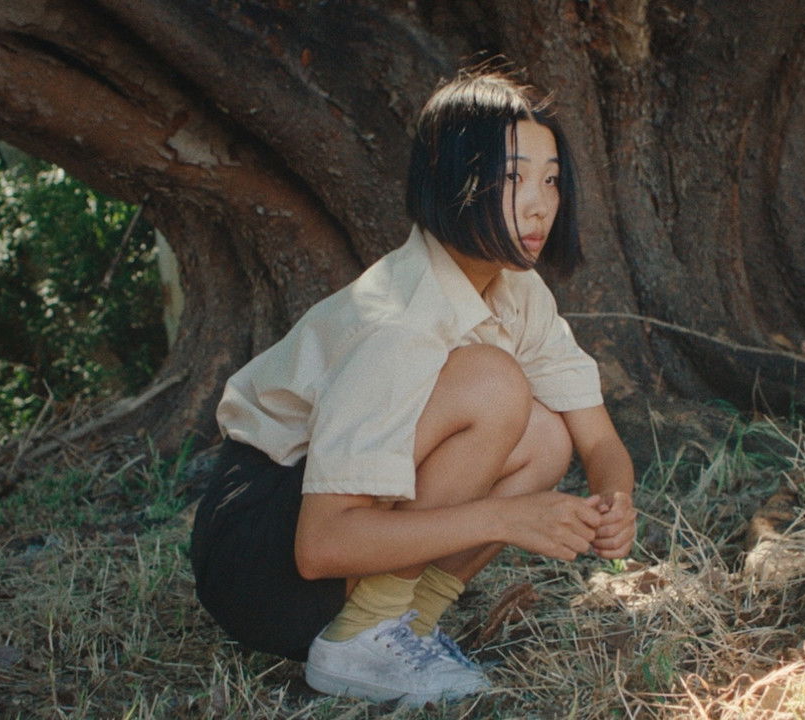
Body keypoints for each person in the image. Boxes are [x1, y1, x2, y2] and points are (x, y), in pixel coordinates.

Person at [189, 66, 636, 706]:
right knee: (494, 382)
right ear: (453, 180)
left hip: (314, 541)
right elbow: (319, 546)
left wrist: (615, 501)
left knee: (546, 437)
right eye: (513, 178)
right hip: (259, 555)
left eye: (551, 179)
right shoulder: (400, 319)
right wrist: (506, 518)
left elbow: (597, 439)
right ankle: (361, 635)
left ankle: (399, 629)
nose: (539, 204)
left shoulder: (517, 291)